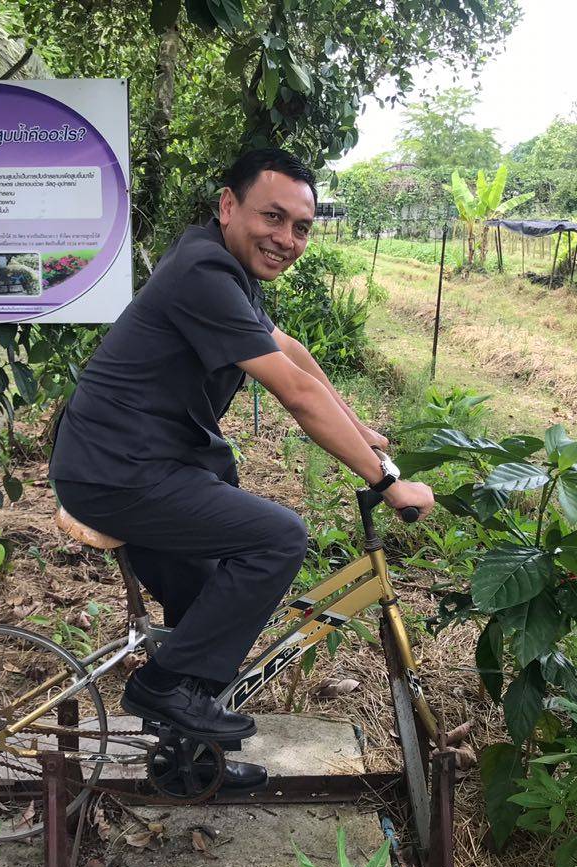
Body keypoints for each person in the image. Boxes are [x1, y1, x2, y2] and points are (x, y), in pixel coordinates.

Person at [48, 148, 434, 788]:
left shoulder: (226, 268)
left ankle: (186, 762)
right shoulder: (203, 272)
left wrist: (362, 431)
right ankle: (164, 689)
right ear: (229, 206)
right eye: (273, 217)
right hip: (118, 472)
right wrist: (388, 482)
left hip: (143, 461)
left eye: (301, 227)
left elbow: (290, 351)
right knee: (279, 536)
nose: (286, 238)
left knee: (207, 605)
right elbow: (297, 394)